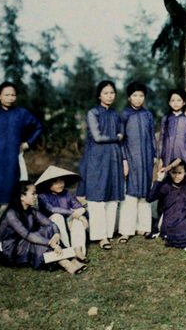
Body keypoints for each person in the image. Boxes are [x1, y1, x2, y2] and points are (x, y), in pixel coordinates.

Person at [0, 81, 43, 244]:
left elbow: (38, 126)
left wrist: (27, 143)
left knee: (15, 196)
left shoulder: (21, 113)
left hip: (14, 160)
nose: (10, 98)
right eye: (6, 94)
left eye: (13, 95)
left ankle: (12, 232)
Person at [0, 181, 87, 274]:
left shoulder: (31, 210)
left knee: (48, 230)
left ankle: (69, 258)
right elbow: (27, 235)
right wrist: (51, 243)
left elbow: (51, 224)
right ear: (22, 197)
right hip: (10, 249)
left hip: (25, 241)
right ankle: (66, 262)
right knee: (38, 244)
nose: (36, 196)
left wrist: (56, 234)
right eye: (33, 194)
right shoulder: (11, 214)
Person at [77, 80, 125, 250]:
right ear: (99, 95)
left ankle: (108, 232)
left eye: (112, 92)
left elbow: (123, 136)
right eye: (106, 93)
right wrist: (116, 137)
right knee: (97, 195)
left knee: (112, 196)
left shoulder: (116, 114)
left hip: (114, 158)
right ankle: (100, 235)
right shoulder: (93, 113)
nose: (109, 96)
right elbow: (97, 137)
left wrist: (122, 153)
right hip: (97, 158)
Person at [119, 82, 156, 242]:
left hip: (147, 158)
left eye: (141, 95)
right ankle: (126, 230)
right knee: (131, 194)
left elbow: (152, 137)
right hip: (131, 158)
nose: (138, 99)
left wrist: (155, 156)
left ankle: (144, 227)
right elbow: (120, 141)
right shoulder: (124, 115)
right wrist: (124, 160)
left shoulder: (148, 115)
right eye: (135, 95)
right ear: (129, 97)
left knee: (145, 193)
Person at [36, 166, 89, 262]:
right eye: (56, 182)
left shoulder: (67, 193)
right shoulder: (42, 196)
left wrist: (79, 215)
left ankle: (78, 250)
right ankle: (67, 250)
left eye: (62, 181)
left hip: (68, 222)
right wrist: (72, 214)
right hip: (51, 226)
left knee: (77, 220)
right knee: (58, 217)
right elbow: (52, 209)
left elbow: (79, 207)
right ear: (49, 184)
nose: (60, 184)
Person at [158, 89, 186, 182]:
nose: (176, 103)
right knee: (168, 178)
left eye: (179, 100)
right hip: (168, 154)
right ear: (169, 103)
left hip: (184, 154)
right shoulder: (165, 118)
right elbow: (162, 139)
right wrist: (160, 157)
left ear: (184, 102)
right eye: (173, 100)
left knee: (184, 178)